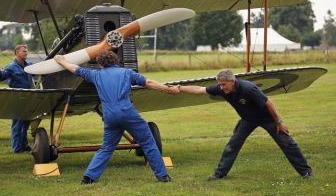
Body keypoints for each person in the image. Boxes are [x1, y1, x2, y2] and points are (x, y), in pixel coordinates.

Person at [54, 51, 179, 184]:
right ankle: (163, 176)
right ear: (116, 61)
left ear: (101, 64)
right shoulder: (127, 72)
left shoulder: (96, 75)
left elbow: (76, 69)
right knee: (148, 142)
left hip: (109, 116)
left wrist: (61, 60)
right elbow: (148, 82)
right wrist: (167, 89)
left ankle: (89, 177)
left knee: (107, 148)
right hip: (127, 113)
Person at [176, 68, 312, 180]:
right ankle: (219, 174)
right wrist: (180, 88)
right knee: (232, 146)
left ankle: (306, 172)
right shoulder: (221, 88)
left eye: (224, 84)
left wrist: (279, 122)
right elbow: (200, 90)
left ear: (232, 81)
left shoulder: (248, 89)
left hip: (268, 119)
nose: (221, 88)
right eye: (220, 84)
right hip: (247, 120)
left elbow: (268, 103)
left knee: (288, 144)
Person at [0, 44, 33, 153]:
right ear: (17, 52)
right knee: (17, 124)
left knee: (26, 123)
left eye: (26, 51)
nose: (26, 53)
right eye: (24, 51)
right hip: (16, 98)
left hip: (28, 98)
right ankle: (17, 148)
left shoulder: (29, 65)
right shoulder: (11, 67)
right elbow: (1, 77)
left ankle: (24, 145)